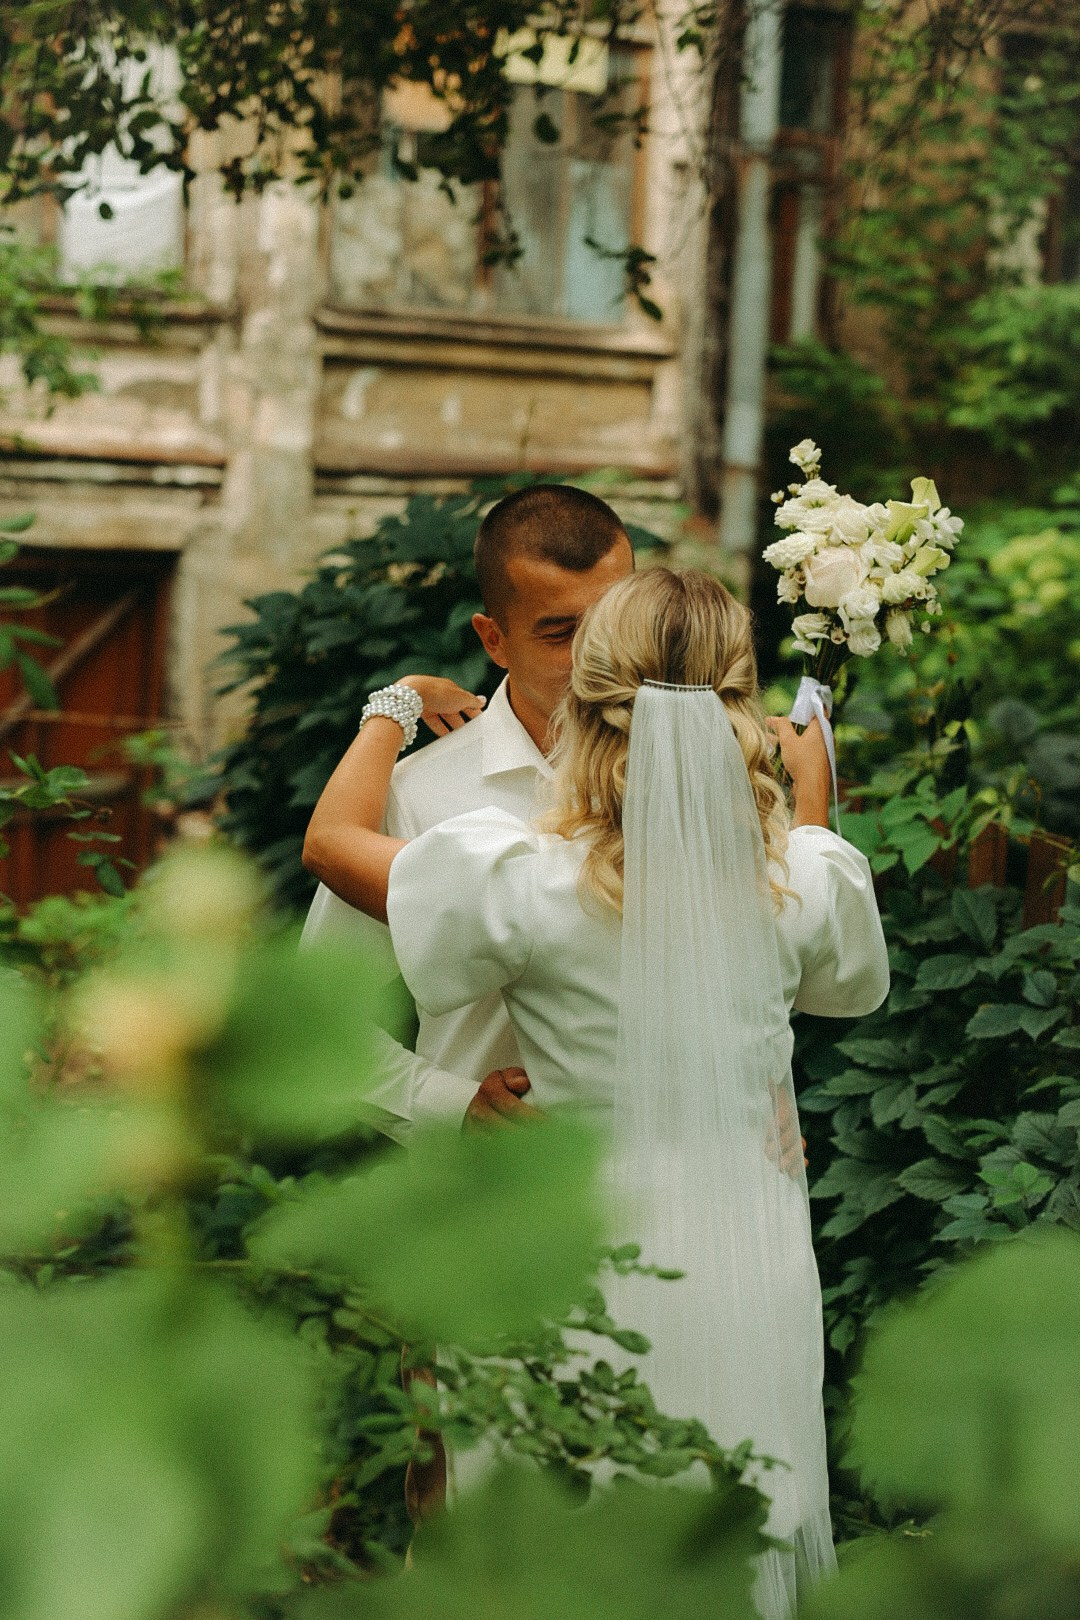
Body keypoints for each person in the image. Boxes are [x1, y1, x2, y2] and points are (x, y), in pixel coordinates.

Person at [302, 567, 889, 1616]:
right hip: (743, 1243)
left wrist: (390, 709)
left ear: (588, 696)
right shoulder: (805, 880)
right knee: (736, 1510)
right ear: (742, 709)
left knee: (545, 1527)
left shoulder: (526, 882)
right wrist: (811, 795)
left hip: (570, 1239)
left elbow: (331, 847)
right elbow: (841, 983)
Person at [302, 482, 634, 1137]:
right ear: (493, 639)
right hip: (491, 1199)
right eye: (562, 633)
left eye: (616, 622)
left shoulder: (701, 769)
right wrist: (445, 1104)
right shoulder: (416, 792)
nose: (602, 660)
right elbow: (314, 1017)